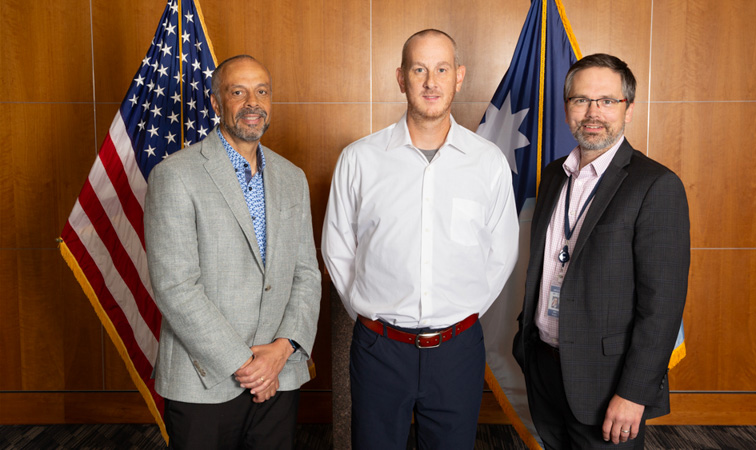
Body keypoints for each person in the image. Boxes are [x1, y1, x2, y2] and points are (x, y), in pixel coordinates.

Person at [321, 29, 519, 449]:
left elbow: (501, 252)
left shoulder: (488, 163)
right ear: (400, 77)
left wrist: (463, 315)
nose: (431, 81)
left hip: (457, 350)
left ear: (459, 76)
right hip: (379, 348)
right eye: (419, 69)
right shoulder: (360, 159)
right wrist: (364, 311)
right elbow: (337, 248)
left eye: (442, 69)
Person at [513, 53, 691, 449]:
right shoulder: (552, 176)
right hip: (544, 366)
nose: (593, 112)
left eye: (607, 101)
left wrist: (634, 393)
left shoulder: (656, 185)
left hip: (607, 381)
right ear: (566, 108)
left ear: (628, 109)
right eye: (581, 100)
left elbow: (662, 307)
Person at [144, 54, 321, 450]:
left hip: (278, 375)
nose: (252, 103)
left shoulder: (293, 178)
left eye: (262, 91)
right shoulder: (174, 175)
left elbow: (306, 275)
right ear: (215, 102)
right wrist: (248, 366)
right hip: (203, 379)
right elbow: (176, 287)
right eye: (238, 92)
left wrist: (281, 350)